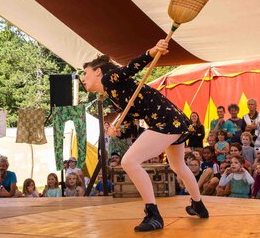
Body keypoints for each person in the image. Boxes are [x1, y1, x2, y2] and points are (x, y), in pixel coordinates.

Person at [82, 39, 208, 232]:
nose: (83, 78)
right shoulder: (115, 94)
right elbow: (132, 126)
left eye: (85, 73)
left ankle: (153, 215)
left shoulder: (110, 79)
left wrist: (152, 51)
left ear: (98, 71)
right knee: (177, 164)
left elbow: (131, 68)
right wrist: (119, 129)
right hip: (171, 119)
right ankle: (198, 205)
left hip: (164, 121)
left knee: (128, 161)